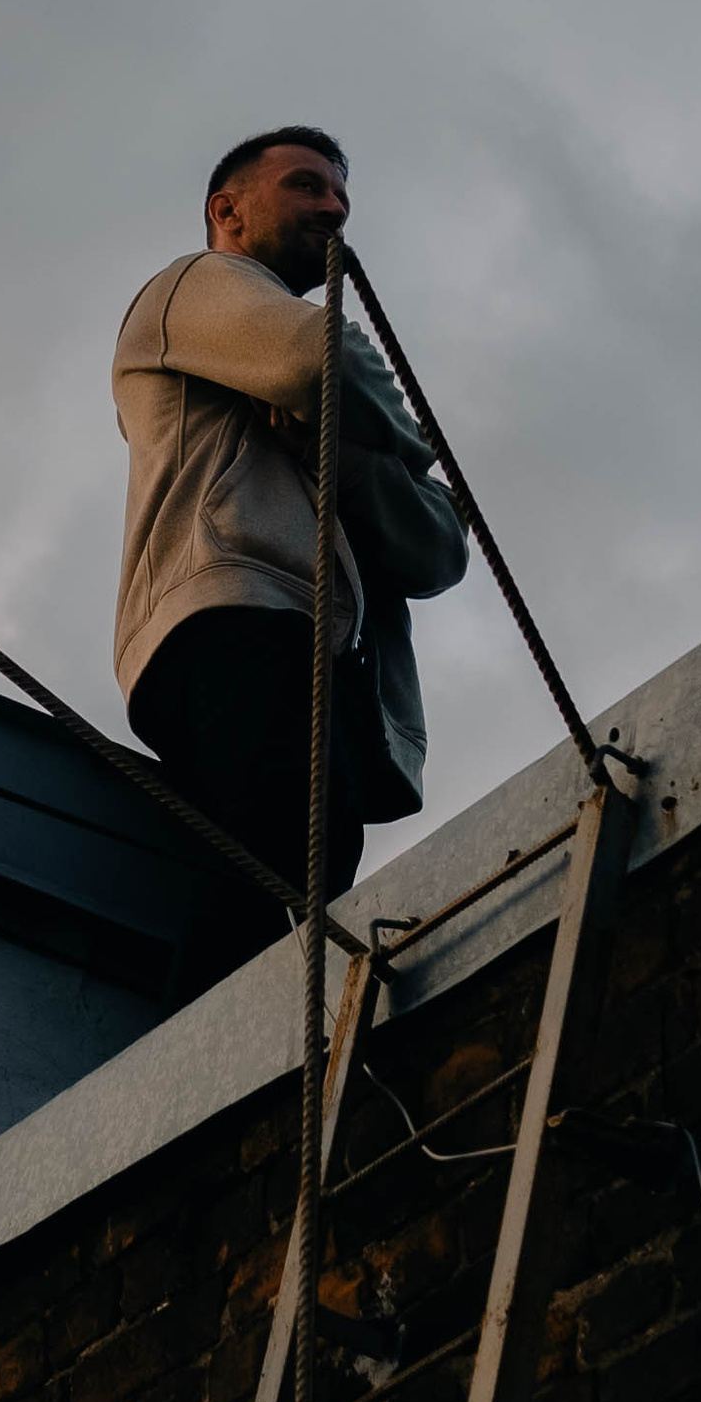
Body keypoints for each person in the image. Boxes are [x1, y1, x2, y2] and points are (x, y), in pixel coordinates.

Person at [113, 126, 468, 1001]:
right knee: (276, 852)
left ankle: (233, 1068)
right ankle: (193, 1082)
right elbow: (317, 355)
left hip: (310, 645)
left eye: (342, 196)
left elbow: (437, 551)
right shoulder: (193, 286)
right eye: (308, 187)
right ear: (226, 210)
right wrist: (386, 433)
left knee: (305, 863)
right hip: (231, 615)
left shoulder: (310, 385)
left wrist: (339, 442)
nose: (336, 208)